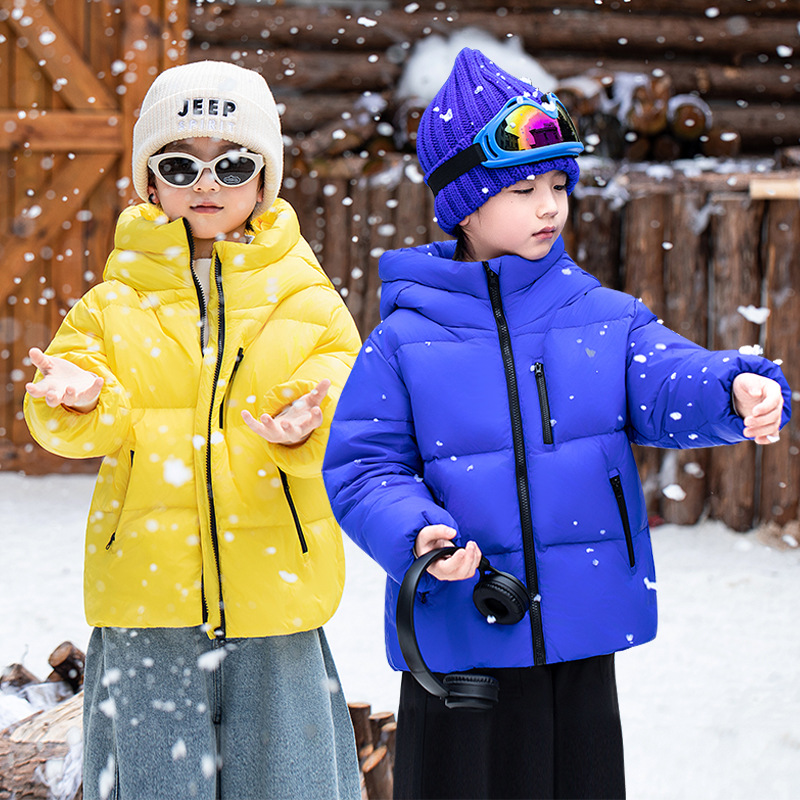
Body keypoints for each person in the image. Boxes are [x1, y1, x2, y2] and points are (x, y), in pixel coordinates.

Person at [322, 48, 791, 800]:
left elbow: (668, 377)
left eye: (558, 186)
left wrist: (734, 387)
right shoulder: (404, 340)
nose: (550, 207)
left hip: (577, 630)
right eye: (524, 189)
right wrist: (417, 534)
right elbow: (363, 466)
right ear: (465, 205)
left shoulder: (599, 317)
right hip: (463, 635)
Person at [24, 60, 362, 800]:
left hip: (274, 581)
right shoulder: (112, 303)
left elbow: (348, 398)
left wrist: (309, 423)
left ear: (264, 180)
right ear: (151, 183)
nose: (207, 182)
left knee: (288, 777)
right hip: (149, 588)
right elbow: (76, 399)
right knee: (155, 781)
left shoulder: (307, 299)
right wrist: (78, 400)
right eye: (180, 164)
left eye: (233, 162)